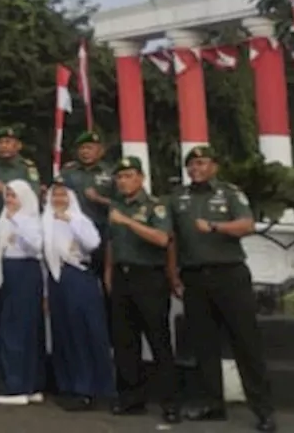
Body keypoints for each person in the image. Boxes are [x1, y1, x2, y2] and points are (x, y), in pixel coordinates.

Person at [169, 146, 276, 432]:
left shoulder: (229, 192)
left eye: (202, 163)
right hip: (194, 278)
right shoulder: (179, 197)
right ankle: (212, 403)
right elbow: (173, 239)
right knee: (204, 345)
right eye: (191, 164)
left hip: (229, 275)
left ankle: (264, 409)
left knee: (246, 343)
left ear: (214, 166)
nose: (196, 169)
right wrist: (173, 274)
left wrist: (216, 227)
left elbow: (247, 225)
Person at [106, 156, 179, 422]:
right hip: (122, 276)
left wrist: (128, 222)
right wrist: (108, 273)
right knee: (125, 341)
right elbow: (112, 243)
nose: (123, 181)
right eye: (120, 177)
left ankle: (170, 402)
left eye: (129, 176)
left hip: (148, 277)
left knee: (158, 339)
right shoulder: (115, 205)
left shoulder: (155, 206)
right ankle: (131, 398)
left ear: (141, 178)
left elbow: (162, 239)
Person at [43, 179, 113, 411]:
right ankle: (68, 386)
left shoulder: (80, 219)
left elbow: (92, 243)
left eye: (63, 195)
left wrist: (70, 220)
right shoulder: (46, 221)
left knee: (83, 332)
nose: (58, 200)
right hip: (56, 279)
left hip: (78, 276)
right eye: (55, 195)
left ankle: (90, 389)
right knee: (63, 333)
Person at [0, 180, 45, 406]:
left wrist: (17, 220)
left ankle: (18, 387)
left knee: (19, 329)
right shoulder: (5, 217)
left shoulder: (29, 219)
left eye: (14, 196)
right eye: (8, 195)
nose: (9, 200)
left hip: (24, 272)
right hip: (10, 272)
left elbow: (35, 247)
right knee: (14, 328)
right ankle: (24, 384)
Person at [59, 130, 114, 287]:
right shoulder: (68, 172)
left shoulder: (110, 173)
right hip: (73, 233)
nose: (85, 152)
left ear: (101, 150)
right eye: (82, 148)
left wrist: (99, 199)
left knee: (105, 279)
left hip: (102, 232)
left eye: (90, 147)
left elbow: (121, 204)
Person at [0, 126, 40, 221]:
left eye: (7, 142)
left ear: (18, 145)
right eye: (0, 142)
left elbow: (34, 194)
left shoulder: (26, 167)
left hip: (19, 217)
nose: (4, 146)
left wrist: (4, 189)